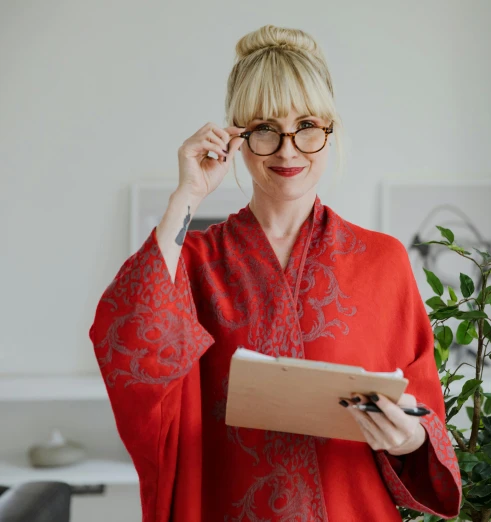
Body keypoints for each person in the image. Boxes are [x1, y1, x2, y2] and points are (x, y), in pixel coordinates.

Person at [89, 24, 461, 522]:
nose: (288, 150)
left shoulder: (383, 260)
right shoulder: (195, 261)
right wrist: (187, 196)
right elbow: (130, 343)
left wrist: (409, 436)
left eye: (307, 125)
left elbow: (423, 408)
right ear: (237, 138)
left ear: (331, 130)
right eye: (265, 128)